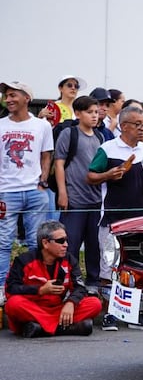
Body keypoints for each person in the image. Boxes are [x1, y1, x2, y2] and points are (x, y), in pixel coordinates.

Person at [87, 105, 143, 330]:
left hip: (139, 217)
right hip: (112, 217)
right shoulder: (107, 149)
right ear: (124, 125)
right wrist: (108, 174)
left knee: (136, 266)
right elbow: (90, 176)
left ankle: (134, 314)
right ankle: (110, 313)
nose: (142, 129)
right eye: (138, 125)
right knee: (110, 266)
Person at [0, 81, 54, 307]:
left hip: (34, 190)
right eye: (6, 96)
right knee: (3, 241)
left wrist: (42, 182)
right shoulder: (0, 124)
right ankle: (2, 287)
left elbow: (46, 156)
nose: (8, 99)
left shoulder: (42, 126)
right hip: (6, 191)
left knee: (36, 242)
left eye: (13, 95)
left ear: (26, 98)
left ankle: (34, 284)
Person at [4, 220, 102, 337]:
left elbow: (80, 287)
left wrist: (71, 303)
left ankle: (40, 328)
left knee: (95, 303)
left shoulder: (69, 260)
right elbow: (11, 289)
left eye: (66, 240)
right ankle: (67, 328)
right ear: (45, 243)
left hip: (59, 309)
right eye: (60, 241)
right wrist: (40, 290)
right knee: (13, 304)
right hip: (33, 309)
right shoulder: (23, 261)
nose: (66, 244)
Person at [53, 95, 104, 295]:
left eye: (96, 112)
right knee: (69, 244)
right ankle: (68, 282)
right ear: (78, 113)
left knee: (94, 245)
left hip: (96, 200)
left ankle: (92, 283)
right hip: (74, 200)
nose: (94, 116)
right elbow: (59, 163)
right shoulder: (69, 134)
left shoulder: (100, 136)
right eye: (90, 112)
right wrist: (62, 193)